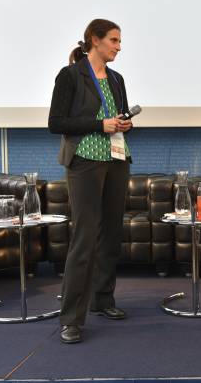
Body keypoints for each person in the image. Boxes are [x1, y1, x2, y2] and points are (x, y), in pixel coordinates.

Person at [48, 19, 133, 344]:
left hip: (116, 160)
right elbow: (56, 123)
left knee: (111, 234)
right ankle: (71, 318)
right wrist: (101, 125)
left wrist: (124, 125)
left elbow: (119, 117)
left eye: (119, 40)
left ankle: (103, 299)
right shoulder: (70, 75)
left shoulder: (116, 78)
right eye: (113, 40)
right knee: (84, 238)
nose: (118, 46)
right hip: (84, 161)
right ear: (94, 40)